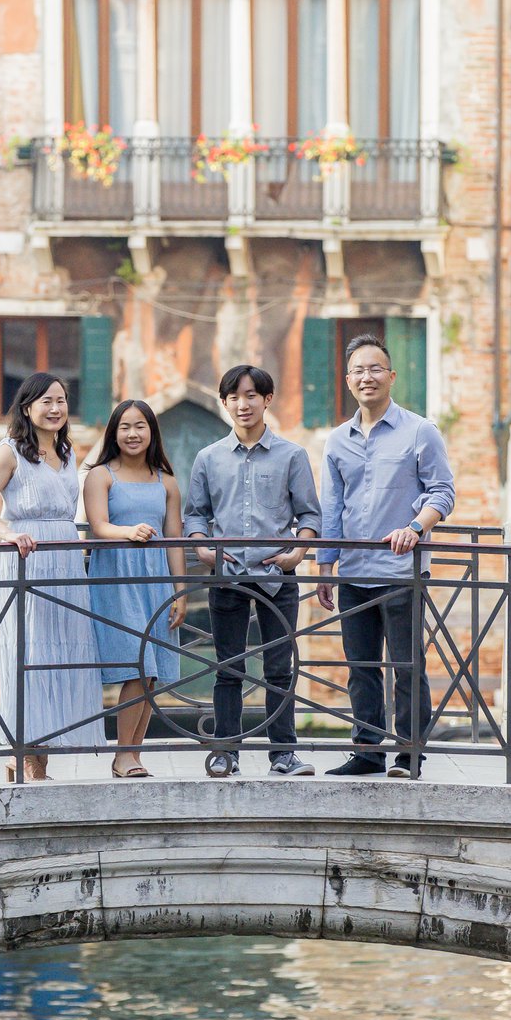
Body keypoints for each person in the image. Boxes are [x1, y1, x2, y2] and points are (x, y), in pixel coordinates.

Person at [316, 333, 456, 778]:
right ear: (348, 380)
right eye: (358, 370)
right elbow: (331, 508)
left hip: (402, 570)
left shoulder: (420, 431)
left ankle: (410, 753)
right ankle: (367, 751)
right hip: (354, 570)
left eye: (375, 369)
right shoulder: (337, 441)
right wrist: (325, 565)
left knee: (407, 665)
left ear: (391, 376)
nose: (367, 377)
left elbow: (443, 492)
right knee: (360, 668)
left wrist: (416, 527)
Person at [182, 364, 322, 777]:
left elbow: (310, 514)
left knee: (280, 666)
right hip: (227, 574)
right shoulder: (208, 458)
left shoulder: (292, 455)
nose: (243, 405)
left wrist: (297, 554)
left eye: (251, 396)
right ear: (224, 403)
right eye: (234, 397)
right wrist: (203, 550)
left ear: (267, 399)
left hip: (278, 577)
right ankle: (226, 751)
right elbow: (195, 516)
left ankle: (284, 754)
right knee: (229, 668)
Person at [0, 373, 105, 780]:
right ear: (27, 406)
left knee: (63, 653)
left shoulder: (67, 452)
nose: (56, 408)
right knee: (28, 652)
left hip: (64, 559)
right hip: (26, 557)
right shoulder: (9, 452)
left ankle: (38, 755)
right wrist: (8, 534)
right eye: (47, 400)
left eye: (61, 400)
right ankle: (25, 753)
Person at [84, 399, 189, 779]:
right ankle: (123, 755)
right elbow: (98, 525)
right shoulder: (101, 475)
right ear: (114, 432)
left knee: (151, 672)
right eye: (124, 426)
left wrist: (180, 591)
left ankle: (132, 755)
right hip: (117, 578)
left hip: (155, 580)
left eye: (140, 426)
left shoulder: (167, 482)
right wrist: (128, 532)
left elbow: (174, 539)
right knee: (136, 664)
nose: (132, 433)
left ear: (151, 432)